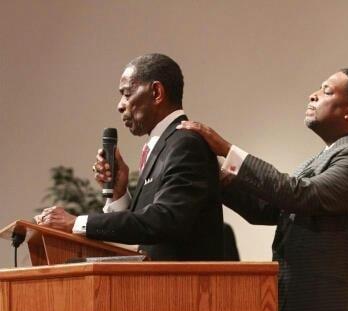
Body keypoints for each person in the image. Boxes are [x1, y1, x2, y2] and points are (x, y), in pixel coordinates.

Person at [178, 69, 348, 311]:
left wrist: (228, 150)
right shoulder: (321, 159)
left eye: (326, 91)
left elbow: (302, 195)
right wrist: (210, 173)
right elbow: (268, 208)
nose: (313, 95)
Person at [35, 53, 224, 261]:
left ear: (156, 92)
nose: (120, 105)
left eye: (126, 94)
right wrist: (119, 194)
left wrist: (76, 223)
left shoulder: (185, 144)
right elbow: (145, 231)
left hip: (184, 289)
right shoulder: (166, 144)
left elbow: (164, 221)